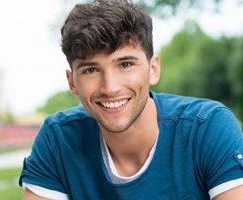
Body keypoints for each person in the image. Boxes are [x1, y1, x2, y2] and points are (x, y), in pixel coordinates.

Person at [19, 0, 243, 199]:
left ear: (153, 69)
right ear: (72, 83)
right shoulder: (58, 139)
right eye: (90, 70)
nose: (110, 87)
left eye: (125, 65)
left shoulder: (207, 127)